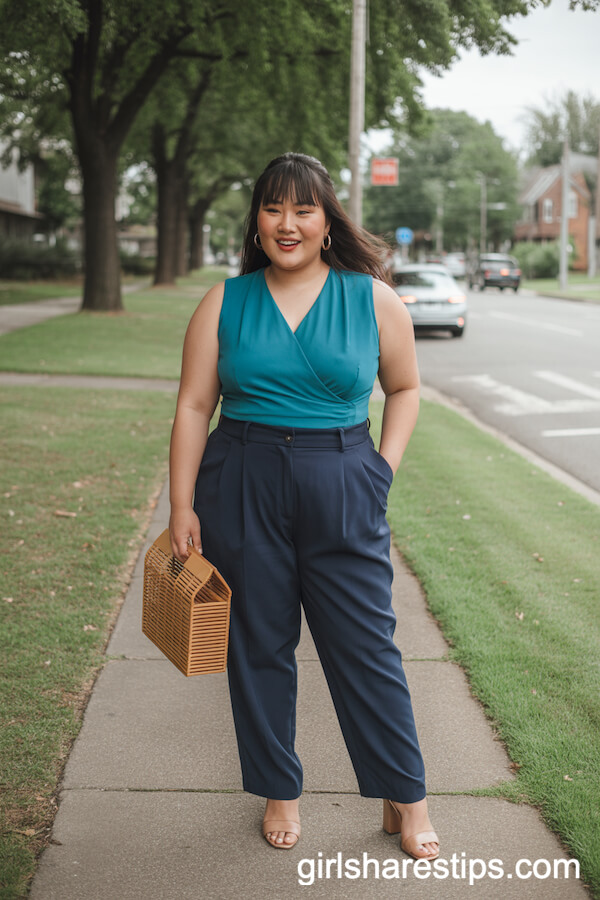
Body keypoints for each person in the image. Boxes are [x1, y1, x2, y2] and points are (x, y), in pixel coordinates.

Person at [168, 152, 439, 858]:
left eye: (303, 210)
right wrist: (180, 506)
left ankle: (405, 795)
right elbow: (196, 406)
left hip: (343, 476)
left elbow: (406, 389)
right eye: (273, 209)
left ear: (326, 221)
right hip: (242, 478)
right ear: (256, 222)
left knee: (366, 646)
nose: (287, 224)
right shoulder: (224, 301)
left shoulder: (371, 297)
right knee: (258, 645)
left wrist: (381, 470)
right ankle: (279, 789)